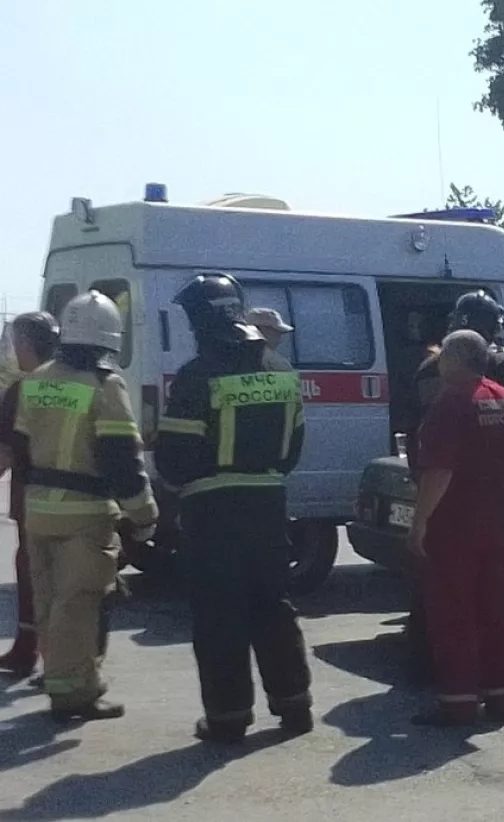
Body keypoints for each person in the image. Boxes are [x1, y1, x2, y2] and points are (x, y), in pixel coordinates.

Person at [156, 273, 312, 744]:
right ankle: (294, 705)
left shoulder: (197, 375)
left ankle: (227, 717)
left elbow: (173, 459)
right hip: (269, 503)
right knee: (273, 606)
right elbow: (293, 448)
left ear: (202, 320)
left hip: (212, 511)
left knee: (220, 615)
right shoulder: (281, 369)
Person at [14, 291, 157, 722]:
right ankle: (75, 696)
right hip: (86, 514)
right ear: (109, 340)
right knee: (78, 606)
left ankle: (62, 684)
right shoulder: (104, 384)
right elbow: (121, 458)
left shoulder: (37, 379)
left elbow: (21, 447)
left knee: (50, 602)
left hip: (38, 511)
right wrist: (144, 515)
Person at [404, 290, 504, 688]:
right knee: (496, 597)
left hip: (438, 498)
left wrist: (421, 512)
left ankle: (433, 670)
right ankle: (498, 678)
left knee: (441, 594)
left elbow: (418, 435)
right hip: (495, 504)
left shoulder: (430, 370)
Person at [0, 312, 60, 678]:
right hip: (81, 498)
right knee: (71, 582)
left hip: (32, 497)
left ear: (24, 344)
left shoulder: (24, 389)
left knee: (32, 573)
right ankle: (68, 658)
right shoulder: (84, 380)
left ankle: (28, 651)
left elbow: (5, 452)